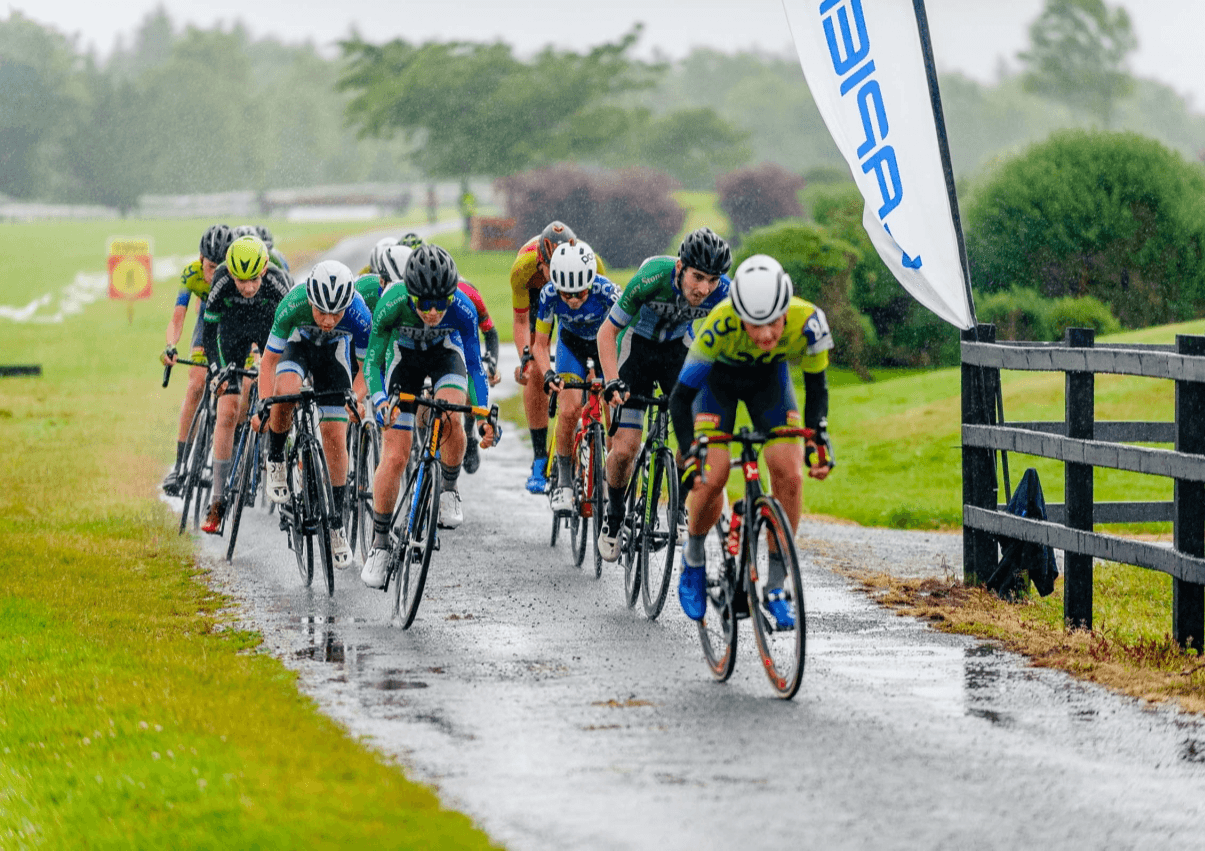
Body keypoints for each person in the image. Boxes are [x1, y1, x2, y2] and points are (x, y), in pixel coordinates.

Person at [669, 254, 835, 628]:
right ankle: (693, 556)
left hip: (769, 383)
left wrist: (818, 439)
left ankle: (776, 585)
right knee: (713, 477)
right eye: (753, 325)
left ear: (786, 311)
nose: (764, 335)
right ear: (737, 313)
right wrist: (690, 450)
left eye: (774, 323)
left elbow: (817, 389)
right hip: (718, 384)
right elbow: (680, 398)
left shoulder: (809, 323)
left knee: (789, 474)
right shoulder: (718, 324)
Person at [360, 245, 497, 590]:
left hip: (444, 358)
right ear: (410, 294)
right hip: (401, 362)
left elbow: (475, 369)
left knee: (451, 413)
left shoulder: (462, 308)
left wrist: (482, 416)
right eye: (424, 304)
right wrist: (378, 400)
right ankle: (379, 543)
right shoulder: (392, 302)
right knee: (395, 455)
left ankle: (448, 488)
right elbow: (373, 363)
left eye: (441, 303)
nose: (433, 311)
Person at [594, 226, 733, 562]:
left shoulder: (723, 293)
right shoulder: (652, 277)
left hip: (677, 352)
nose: (704, 289)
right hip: (636, 351)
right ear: (681, 266)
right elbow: (607, 332)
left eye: (712, 280)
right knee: (625, 449)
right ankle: (614, 516)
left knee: (696, 437)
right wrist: (612, 382)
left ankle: (681, 507)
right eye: (698, 277)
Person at [257, 260, 373, 570]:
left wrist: (355, 398)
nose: (328, 319)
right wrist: (266, 403)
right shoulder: (292, 303)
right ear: (310, 299)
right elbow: (268, 362)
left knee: (335, 436)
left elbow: (367, 370)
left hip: (334, 356)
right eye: (321, 311)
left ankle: (335, 522)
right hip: (299, 348)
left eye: (336, 313)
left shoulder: (359, 314)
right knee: (286, 390)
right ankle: (277, 458)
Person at [198, 235, 292, 534]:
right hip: (233, 337)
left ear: (264, 270)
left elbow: (295, 333)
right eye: (241, 281)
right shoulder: (222, 280)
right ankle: (217, 500)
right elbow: (209, 333)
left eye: (253, 279)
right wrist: (216, 369)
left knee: (284, 395)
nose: (248, 287)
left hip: (269, 335)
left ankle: (287, 458)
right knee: (226, 411)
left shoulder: (278, 283)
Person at [509, 221, 607, 494]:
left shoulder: (593, 265)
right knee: (535, 370)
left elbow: (604, 316)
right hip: (535, 300)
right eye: (551, 271)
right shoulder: (523, 270)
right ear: (541, 263)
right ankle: (540, 457)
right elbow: (519, 321)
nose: (557, 277)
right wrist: (525, 358)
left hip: (576, 317)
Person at [530, 241, 620, 512]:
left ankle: (614, 477)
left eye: (579, 292)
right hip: (571, 346)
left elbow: (628, 331)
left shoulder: (607, 291)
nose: (572, 300)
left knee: (613, 410)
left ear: (591, 282)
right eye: (565, 293)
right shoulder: (547, 295)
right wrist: (547, 373)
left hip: (604, 345)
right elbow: (541, 343)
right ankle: (565, 481)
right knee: (569, 410)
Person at [160, 223, 233, 496]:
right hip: (206, 325)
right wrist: (171, 345)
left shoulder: (235, 278)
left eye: (221, 267)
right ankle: (179, 467)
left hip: (230, 327)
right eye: (211, 266)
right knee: (195, 387)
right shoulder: (192, 273)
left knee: (233, 394)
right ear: (201, 259)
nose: (215, 274)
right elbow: (178, 317)